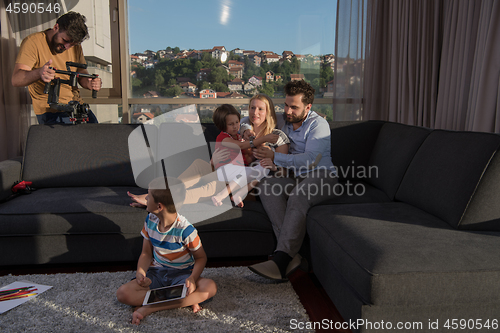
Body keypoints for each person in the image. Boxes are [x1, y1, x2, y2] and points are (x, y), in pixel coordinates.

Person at [249, 80, 338, 281]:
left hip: (322, 177)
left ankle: (281, 260)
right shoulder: (284, 120)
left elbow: (310, 161)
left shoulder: (319, 125)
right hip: (294, 177)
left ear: (308, 107)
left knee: (299, 195)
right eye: (286, 105)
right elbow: (253, 116)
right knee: (268, 186)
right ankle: (293, 256)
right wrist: (246, 128)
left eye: (294, 107)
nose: (288, 111)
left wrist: (274, 157)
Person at [116, 177, 217, 325]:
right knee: (122, 293)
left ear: (159, 206)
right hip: (156, 273)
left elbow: (201, 258)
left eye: (148, 195)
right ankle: (183, 300)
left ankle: (150, 307)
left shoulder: (186, 231)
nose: (145, 197)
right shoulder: (150, 220)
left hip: (181, 276)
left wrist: (192, 279)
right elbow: (146, 253)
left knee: (210, 287)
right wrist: (141, 273)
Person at [11, 11, 102, 124]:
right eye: (65, 40)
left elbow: (81, 73)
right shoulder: (33, 42)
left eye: (72, 44)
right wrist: (39, 72)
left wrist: (89, 83)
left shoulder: (74, 47)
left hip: (77, 105)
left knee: (98, 138)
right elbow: (16, 79)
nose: (67, 47)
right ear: (56, 27)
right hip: (51, 109)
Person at [210, 104, 281, 207]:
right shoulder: (223, 138)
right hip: (224, 170)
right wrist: (265, 138)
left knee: (265, 168)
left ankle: (239, 194)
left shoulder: (238, 136)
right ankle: (221, 195)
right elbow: (242, 145)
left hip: (238, 171)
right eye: (231, 124)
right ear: (222, 125)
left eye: (237, 122)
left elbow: (248, 155)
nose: (235, 126)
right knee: (244, 171)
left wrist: (261, 150)